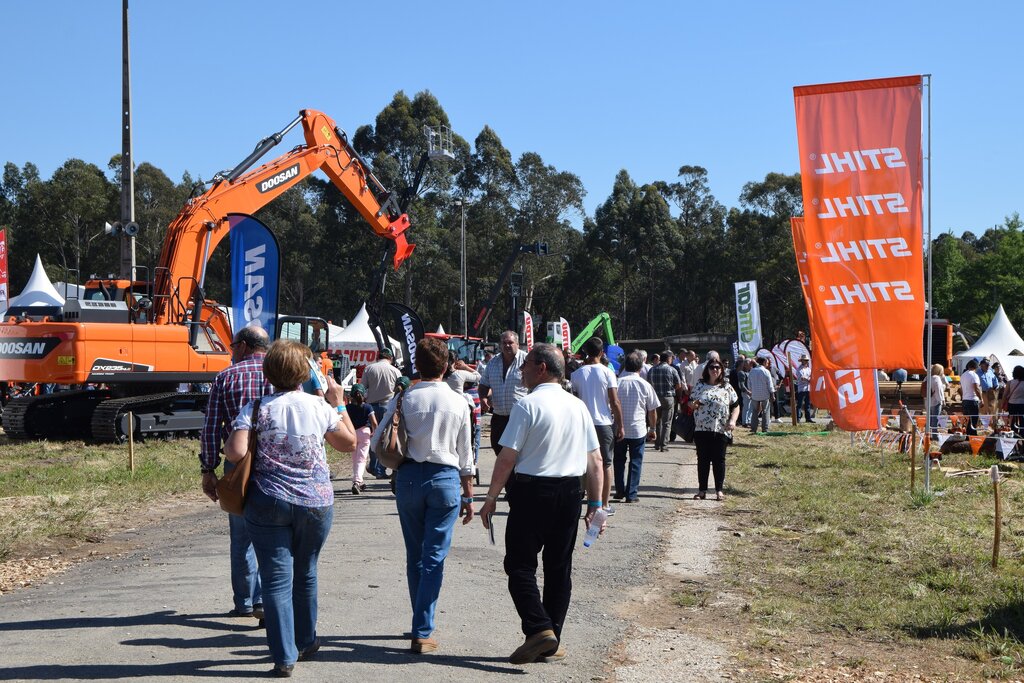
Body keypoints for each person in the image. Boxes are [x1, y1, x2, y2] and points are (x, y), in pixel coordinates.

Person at [224, 339, 357, 677]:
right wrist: (339, 405)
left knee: (275, 578)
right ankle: (307, 639)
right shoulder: (319, 406)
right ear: (304, 372)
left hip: (268, 500)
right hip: (315, 502)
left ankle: (284, 657)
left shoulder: (256, 408)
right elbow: (348, 443)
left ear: (270, 372)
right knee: (307, 570)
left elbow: (236, 454)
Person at [478, 343, 604, 665]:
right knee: (559, 568)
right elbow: (596, 461)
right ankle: (552, 638)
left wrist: (490, 498)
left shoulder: (527, 405)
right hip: (569, 494)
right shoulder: (578, 407)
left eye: (526, 365)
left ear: (542, 369)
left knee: (519, 565)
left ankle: (539, 628)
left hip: (532, 492)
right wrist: (595, 503)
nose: (521, 371)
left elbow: (507, 457)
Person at [374, 337, 475, 654]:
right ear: (447, 366)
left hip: (409, 480)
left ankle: (421, 623)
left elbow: (380, 440)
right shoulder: (459, 402)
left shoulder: (405, 398)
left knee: (415, 555)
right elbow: (466, 456)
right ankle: (422, 628)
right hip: (445, 480)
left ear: (416, 365)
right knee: (434, 558)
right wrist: (469, 496)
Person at [199, 324, 272, 621]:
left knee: (242, 536)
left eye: (232, 346)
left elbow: (211, 427)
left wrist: (208, 469)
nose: (231, 351)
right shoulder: (280, 375)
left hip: (237, 465)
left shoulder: (226, 377)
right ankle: (267, 600)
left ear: (242, 346)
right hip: (274, 464)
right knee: (272, 534)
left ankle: (245, 602)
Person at [570, 337, 624, 512]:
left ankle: (580, 501)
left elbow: (575, 400)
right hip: (604, 423)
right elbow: (614, 401)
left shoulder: (576, 374)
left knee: (584, 464)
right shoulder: (608, 372)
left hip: (583, 424)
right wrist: (621, 425)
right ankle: (604, 504)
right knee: (606, 464)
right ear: (602, 353)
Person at [688, 359, 739, 501]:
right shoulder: (700, 385)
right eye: (712, 367)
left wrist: (733, 421)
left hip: (721, 429)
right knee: (703, 460)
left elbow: (736, 405)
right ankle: (702, 490)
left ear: (722, 370)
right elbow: (690, 402)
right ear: (707, 369)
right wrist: (693, 404)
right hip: (702, 429)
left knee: (719, 460)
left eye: (717, 367)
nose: (715, 370)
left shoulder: (726, 386)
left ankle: (719, 490)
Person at [613, 351, 659, 503]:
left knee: (618, 460)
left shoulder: (617, 383)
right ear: (640, 367)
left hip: (619, 428)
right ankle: (631, 494)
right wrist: (652, 429)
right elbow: (652, 410)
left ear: (625, 366)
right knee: (636, 462)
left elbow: (610, 405)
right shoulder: (645, 385)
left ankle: (619, 490)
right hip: (638, 429)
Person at [479, 330, 528, 455]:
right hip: (499, 418)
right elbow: (484, 384)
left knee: (519, 454)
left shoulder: (527, 361)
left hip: (520, 418)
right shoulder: (492, 363)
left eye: (510, 342)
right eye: (504, 343)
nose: (507, 345)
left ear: (517, 343)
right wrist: (483, 398)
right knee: (498, 449)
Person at [362, 347, 402, 479]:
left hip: (371, 407)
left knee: (373, 436)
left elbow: (363, 388)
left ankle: (373, 465)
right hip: (388, 407)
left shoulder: (369, 369)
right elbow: (400, 390)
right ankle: (380, 468)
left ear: (378, 357)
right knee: (386, 438)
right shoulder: (395, 371)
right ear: (390, 358)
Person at [647, 350, 682, 452]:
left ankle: (657, 444)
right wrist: (678, 397)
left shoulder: (652, 370)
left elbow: (648, 384)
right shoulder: (672, 370)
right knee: (667, 423)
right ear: (668, 359)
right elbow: (678, 385)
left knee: (657, 422)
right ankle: (664, 445)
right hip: (668, 398)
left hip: (655, 398)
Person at [347, 383, 377, 495]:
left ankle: (359, 481)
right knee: (362, 459)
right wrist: (375, 432)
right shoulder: (368, 407)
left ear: (351, 396)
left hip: (352, 434)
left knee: (355, 459)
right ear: (364, 395)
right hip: (364, 432)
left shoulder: (348, 408)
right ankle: (357, 481)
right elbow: (374, 422)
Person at [747, 356, 775, 434]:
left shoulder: (752, 371)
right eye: (766, 362)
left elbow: (749, 384)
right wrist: (772, 394)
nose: (767, 364)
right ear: (763, 363)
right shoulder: (766, 371)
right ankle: (765, 428)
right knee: (765, 411)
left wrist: (751, 390)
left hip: (755, 395)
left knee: (755, 411)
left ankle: (753, 428)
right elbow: (770, 384)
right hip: (764, 394)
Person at [1001, 366, 1024, 438]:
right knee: (1022, 420)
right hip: (1022, 404)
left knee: (1013, 420)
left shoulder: (1010, 382)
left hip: (1012, 404)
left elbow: (1005, 395)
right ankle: (1022, 434)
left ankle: (1014, 434)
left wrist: (1002, 404)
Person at [961, 359, 982, 436]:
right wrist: (981, 399)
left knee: (967, 421)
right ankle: (973, 437)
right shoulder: (974, 375)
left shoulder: (963, 375)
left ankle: (967, 436)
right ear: (975, 367)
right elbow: (976, 388)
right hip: (972, 400)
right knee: (973, 421)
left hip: (965, 400)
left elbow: (961, 388)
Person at [924, 364, 945, 431]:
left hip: (928, 401)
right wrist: (941, 400)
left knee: (929, 420)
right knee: (935, 420)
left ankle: (928, 434)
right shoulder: (937, 378)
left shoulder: (927, 377)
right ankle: (934, 435)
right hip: (936, 401)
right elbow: (938, 390)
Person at [795, 355, 813, 423]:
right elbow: (802, 378)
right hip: (801, 389)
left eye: (806, 360)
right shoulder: (799, 369)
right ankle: (798, 418)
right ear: (802, 361)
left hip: (808, 389)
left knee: (807, 404)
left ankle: (808, 418)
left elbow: (811, 377)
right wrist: (809, 380)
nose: (805, 361)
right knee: (799, 404)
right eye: (804, 360)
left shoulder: (809, 369)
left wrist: (809, 379)